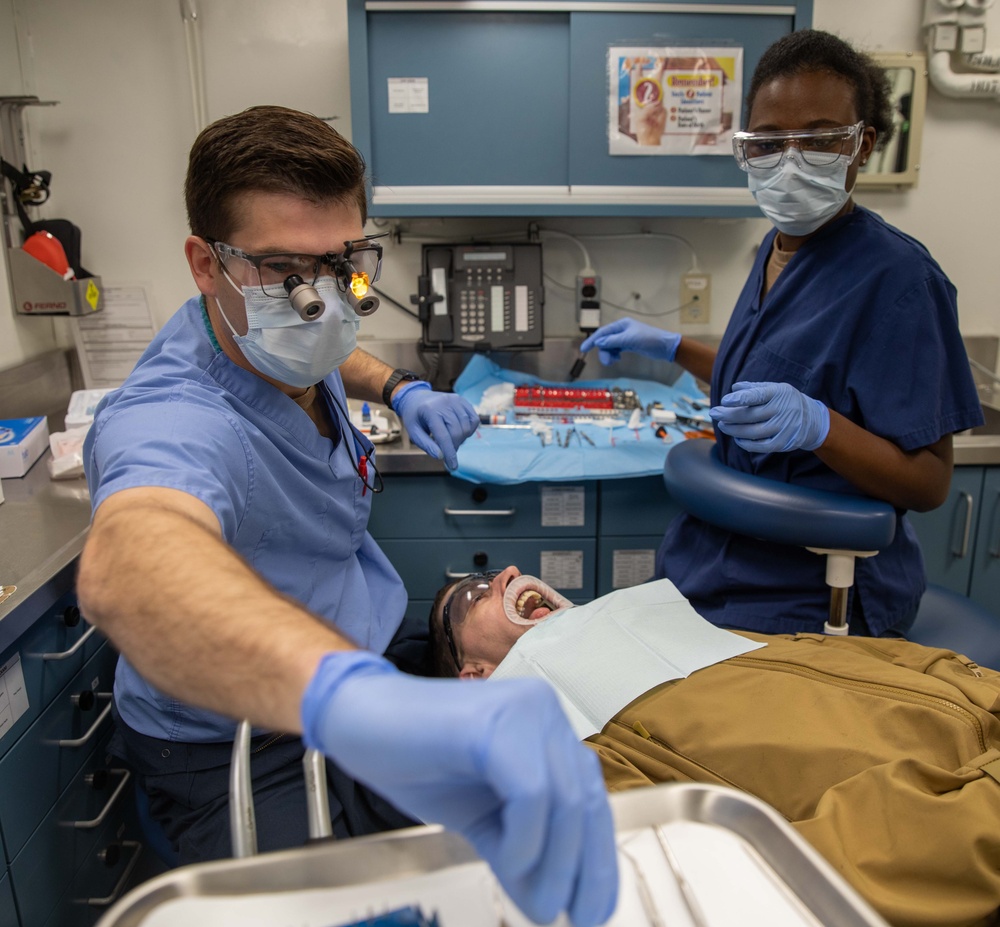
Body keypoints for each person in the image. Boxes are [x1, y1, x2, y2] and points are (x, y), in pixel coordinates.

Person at [77, 105, 617, 927]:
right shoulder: (176, 416)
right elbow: (132, 565)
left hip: (357, 661)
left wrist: (400, 386)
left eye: (346, 265)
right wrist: (356, 699)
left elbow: (332, 345)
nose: (323, 302)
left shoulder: (279, 335)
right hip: (243, 743)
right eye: (288, 271)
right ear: (203, 263)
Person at [581, 30, 985, 639]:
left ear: (862, 145)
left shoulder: (900, 280)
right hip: (716, 560)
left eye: (820, 138)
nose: (790, 160)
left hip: (815, 592)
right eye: (769, 142)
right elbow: (768, 383)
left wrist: (821, 427)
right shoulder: (774, 248)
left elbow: (929, 482)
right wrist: (671, 347)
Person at [428, 566, 1000, 926]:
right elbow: (769, 874)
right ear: (474, 675)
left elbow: (862, 665)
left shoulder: (683, 633)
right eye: (474, 593)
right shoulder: (572, 747)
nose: (505, 572)